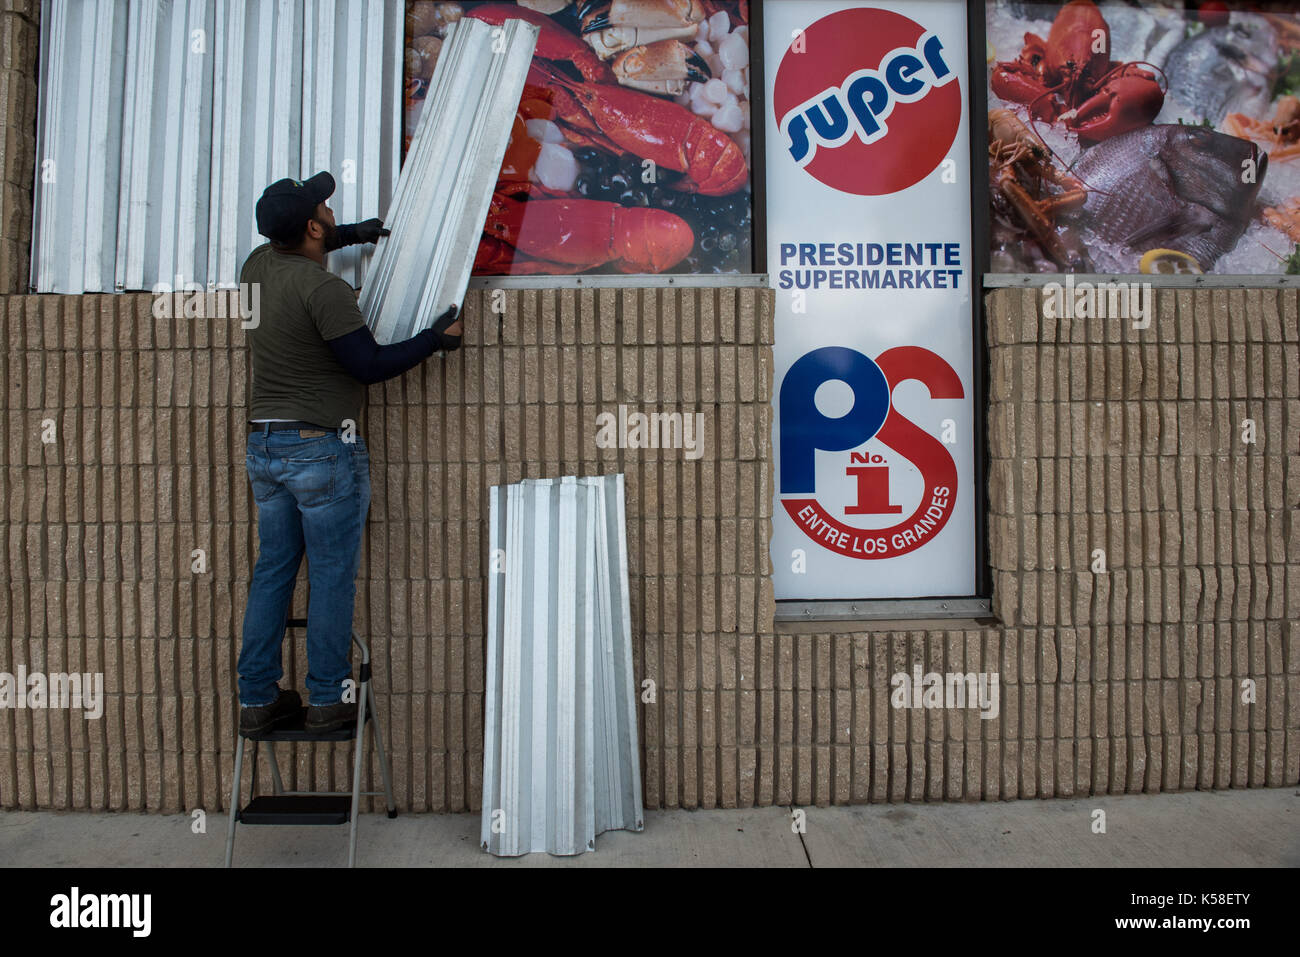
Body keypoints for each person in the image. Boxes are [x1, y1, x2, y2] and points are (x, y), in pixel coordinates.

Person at [236, 171, 463, 735]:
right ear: (312, 226)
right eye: (326, 211)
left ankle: (257, 699)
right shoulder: (326, 292)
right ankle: (325, 699)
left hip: (264, 445)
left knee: (273, 573)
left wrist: (355, 234)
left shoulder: (254, 269)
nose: (332, 213)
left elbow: (295, 247)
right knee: (332, 576)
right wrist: (435, 340)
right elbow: (368, 366)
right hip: (320, 448)